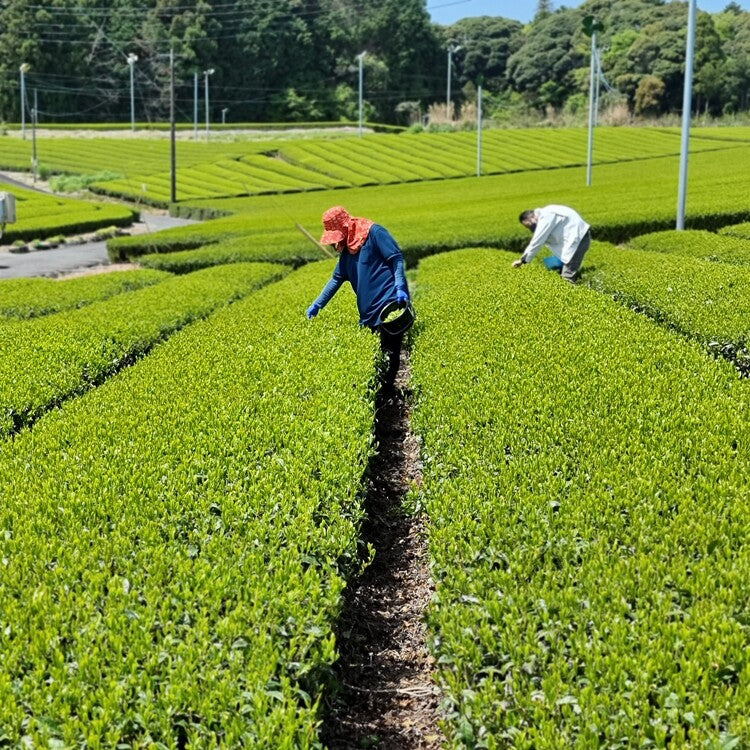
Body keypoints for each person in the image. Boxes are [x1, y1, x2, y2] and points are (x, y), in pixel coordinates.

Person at [306, 205, 411, 387]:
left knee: (391, 351)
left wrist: (400, 286)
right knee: (375, 356)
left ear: (346, 227)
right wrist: (317, 305)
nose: (333, 244)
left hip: (389, 302)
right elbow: (335, 280)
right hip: (368, 312)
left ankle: (388, 391)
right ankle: (381, 391)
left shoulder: (374, 233)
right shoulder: (347, 252)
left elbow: (396, 258)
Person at [512, 204, 591, 283]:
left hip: (578, 240)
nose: (531, 228)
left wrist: (523, 261)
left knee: (567, 278)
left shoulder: (546, 215)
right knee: (563, 269)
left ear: (532, 217)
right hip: (577, 239)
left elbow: (537, 240)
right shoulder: (547, 213)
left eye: (529, 225)